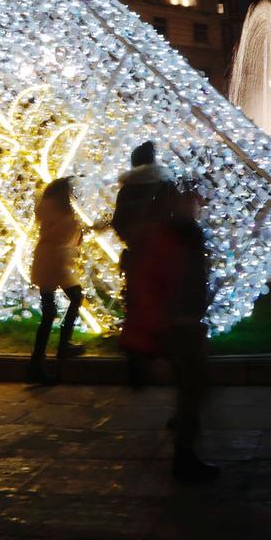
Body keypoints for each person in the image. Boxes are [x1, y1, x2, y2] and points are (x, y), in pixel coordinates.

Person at [122, 181, 217, 483]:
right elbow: (147, 292)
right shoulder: (158, 239)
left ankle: (185, 446)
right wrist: (155, 343)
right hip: (173, 329)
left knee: (195, 390)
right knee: (193, 389)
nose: (191, 206)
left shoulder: (184, 235)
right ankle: (184, 458)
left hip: (187, 324)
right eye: (181, 201)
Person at [110, 141, 172, 387]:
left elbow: (118, 222)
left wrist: (132, 238)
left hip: (136, 257)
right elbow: (174, 216)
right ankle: (160, 355)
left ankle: (136, 365)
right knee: (162, 304)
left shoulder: (127, 190)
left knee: (136, 306)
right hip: (161, 256)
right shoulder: (165, 186)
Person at [28, 177, 89, 385]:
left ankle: (59, 348)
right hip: (53, 262)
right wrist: (84, 230)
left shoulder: (46, 206)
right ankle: (38, 363)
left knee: (69, 299)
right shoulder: (60, 211)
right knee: (53, 310)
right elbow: (69, 234)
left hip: (50, 259)